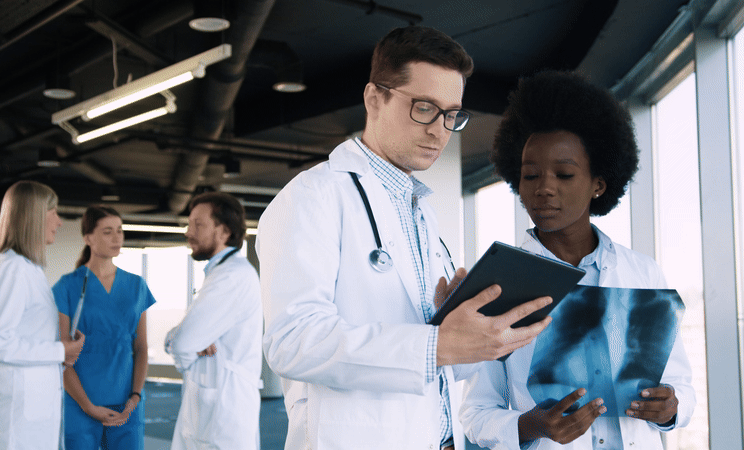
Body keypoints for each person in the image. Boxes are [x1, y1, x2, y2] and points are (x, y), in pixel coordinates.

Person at [258, 26, 553, 450]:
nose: (440, 130)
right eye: (424, 108)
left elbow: (442, 364)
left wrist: (469, 330)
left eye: (452, 114)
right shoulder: (312, 198)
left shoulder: (421, 212)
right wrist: (436, 343)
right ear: (374, 99)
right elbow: (291, 343)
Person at [459, 70, 696, 449]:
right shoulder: (497, 283)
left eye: (564, 174)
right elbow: (475, 414)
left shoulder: (643, 272)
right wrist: (531, 426)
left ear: (598, 184)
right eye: (530, 175)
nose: (544, 188)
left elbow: (680, 388)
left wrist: (669, 409)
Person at [0, 180, 85, 450]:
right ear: (35, 215)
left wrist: (63, 352)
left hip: (32, 409)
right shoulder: (10, 269)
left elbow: (26, 337)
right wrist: (59, 351)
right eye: (54, 212)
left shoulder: (29, 270)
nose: (59, 222)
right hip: (16, 414)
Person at [52, 205, 155, 450]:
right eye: (108, 231)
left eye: (120, 230)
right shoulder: (67, 286)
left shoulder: (136, 285)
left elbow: (141, 347)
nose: (117, 237)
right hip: (80, 403)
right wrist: (88, 406)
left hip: (127, 404)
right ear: (88, 238)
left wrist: (135, 397)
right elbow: (61, 354)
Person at [165, 192, 262, 450]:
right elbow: (181, 338)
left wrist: (183, 345)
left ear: (224, 231)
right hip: (213, 401)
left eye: (198, 224)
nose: (188, 232)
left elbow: (183, 343)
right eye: (189, 224)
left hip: (224, 406)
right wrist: (181, 339)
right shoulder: (220, 273)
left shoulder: (232, 276)